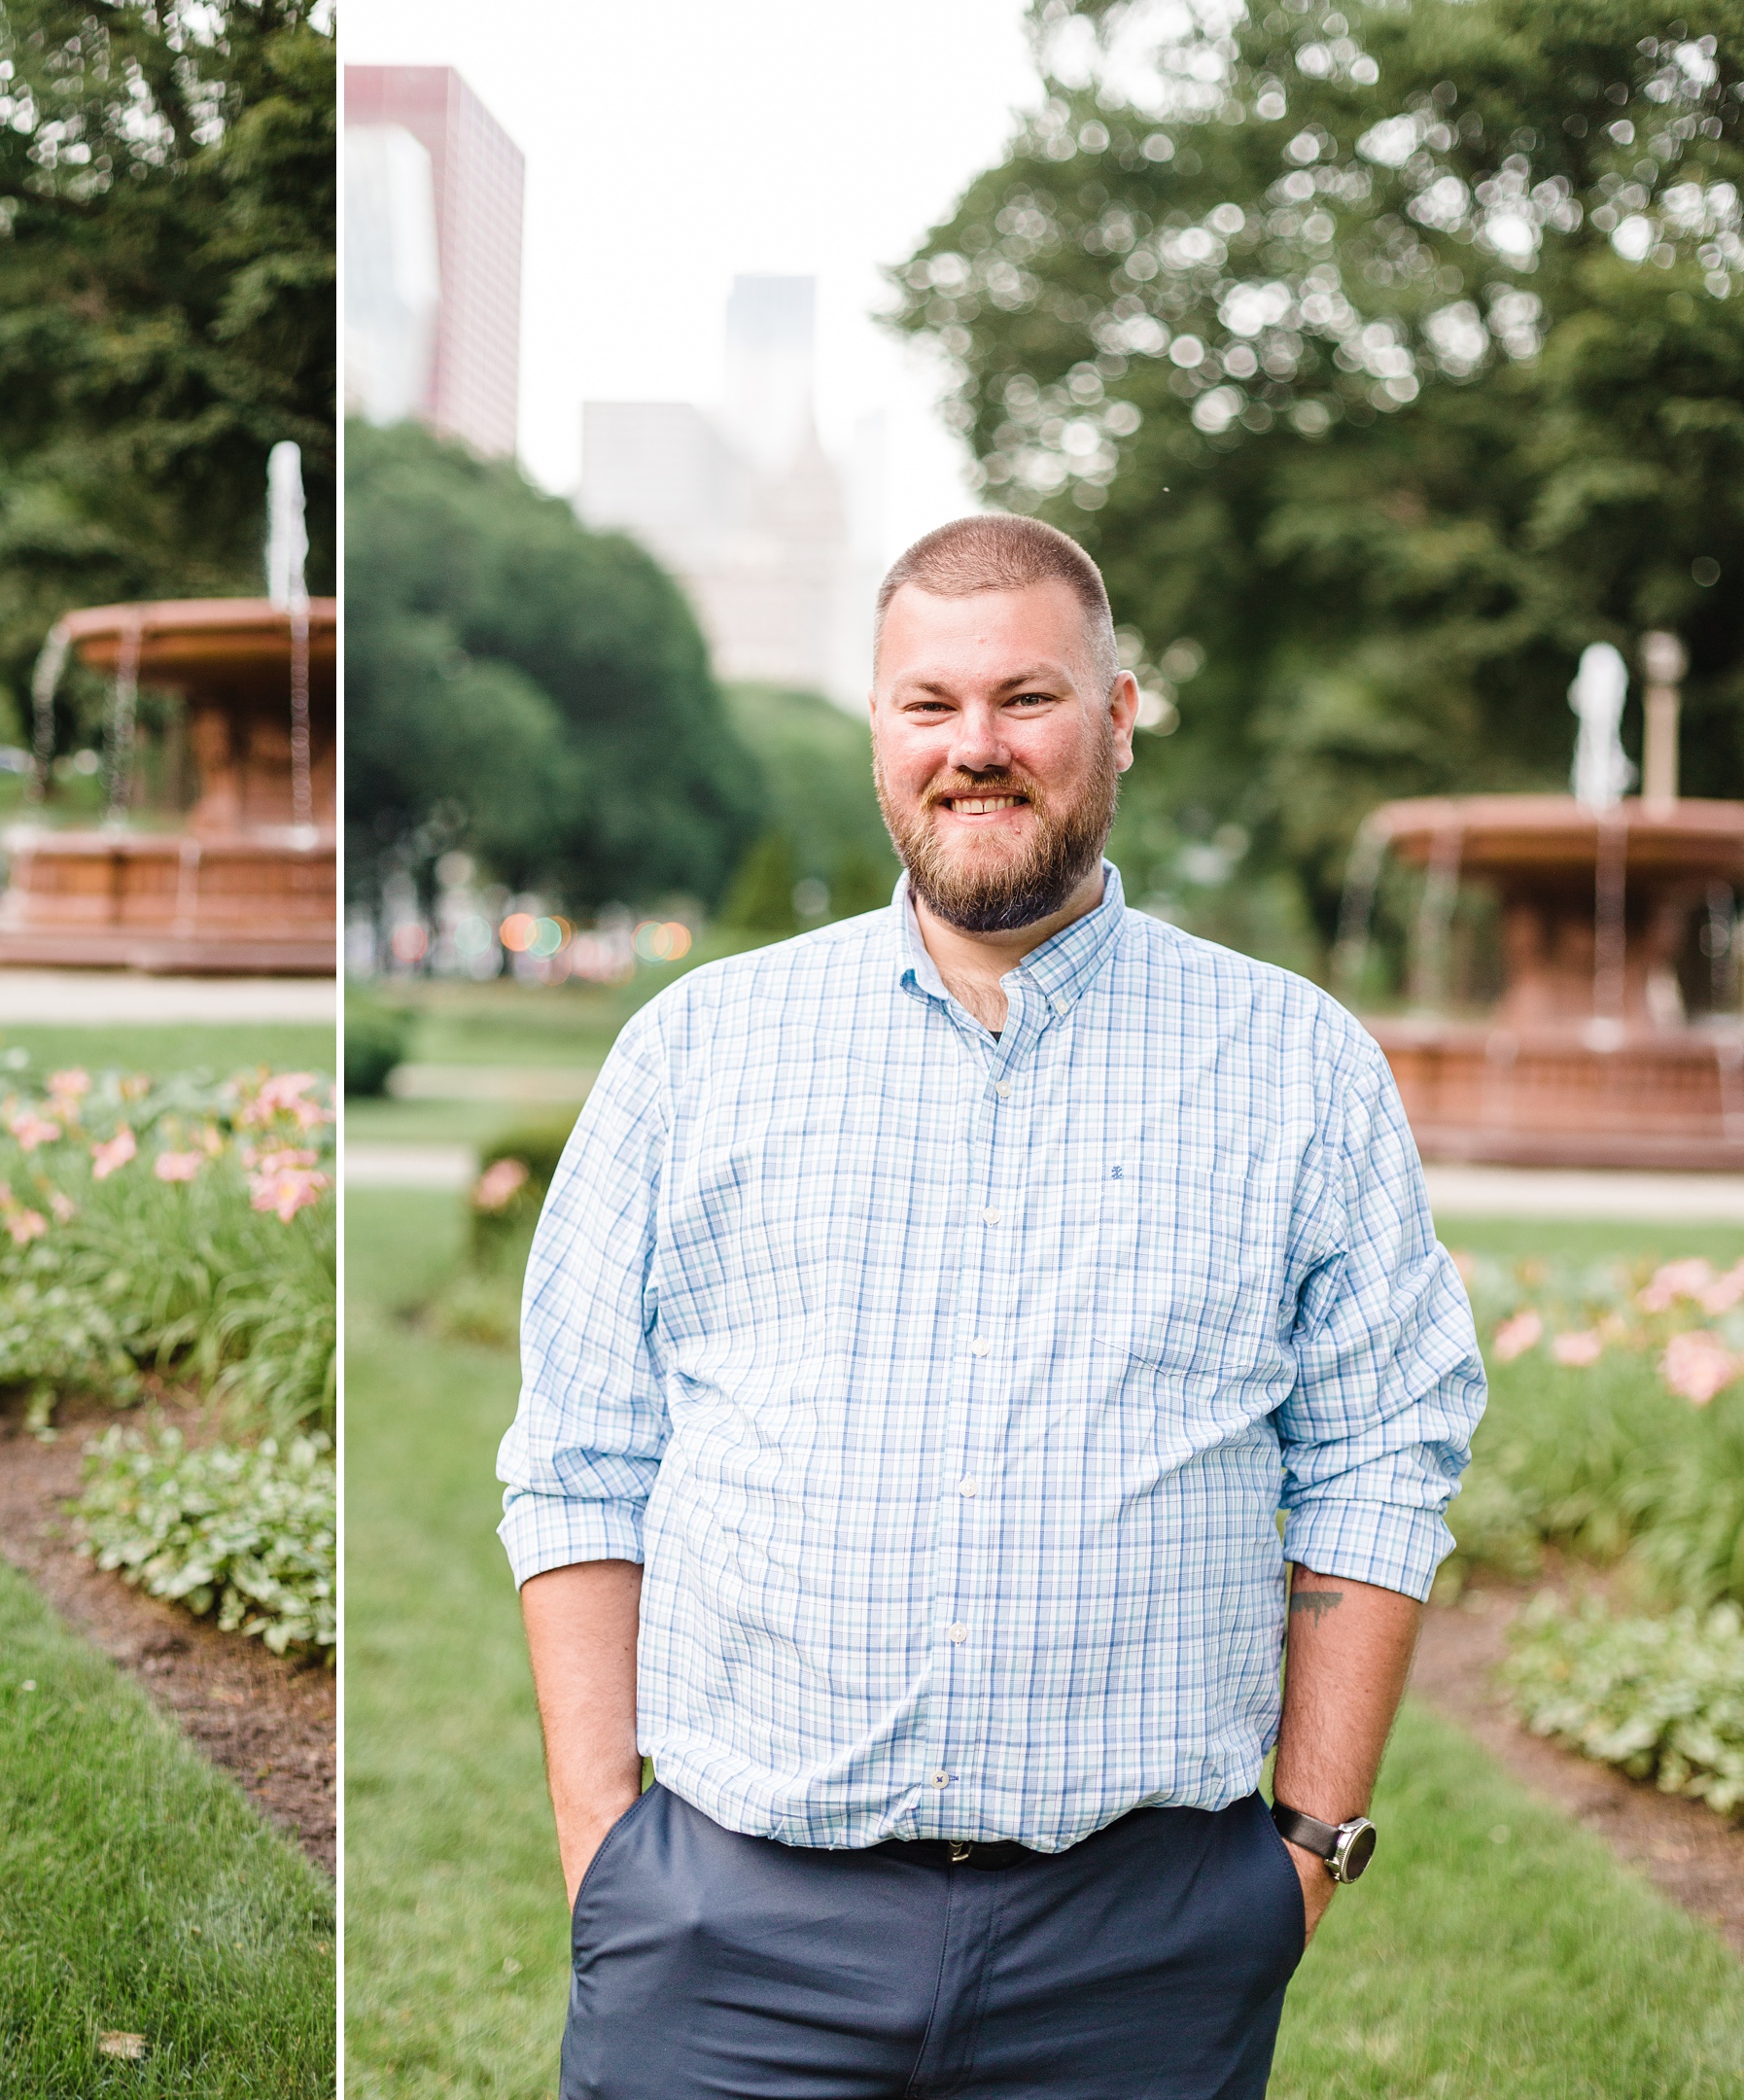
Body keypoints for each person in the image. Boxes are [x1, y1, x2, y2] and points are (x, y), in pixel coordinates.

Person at [499, 513, 1486, 2100]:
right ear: (879, 728)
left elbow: (1381, 1459)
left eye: (1028, 698)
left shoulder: (1300, 1067)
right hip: (725, 1936)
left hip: (1142, 1952)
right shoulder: (694, 1052)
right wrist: (602, 1846)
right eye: (931, 704)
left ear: (1121, 715)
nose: (977, 747)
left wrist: (1305, 1847)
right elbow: (579, 1459)